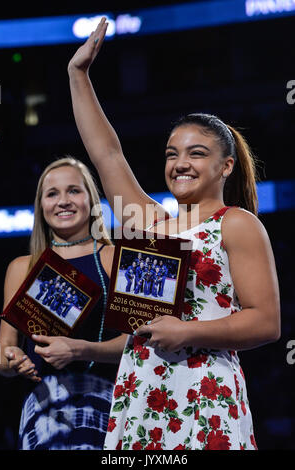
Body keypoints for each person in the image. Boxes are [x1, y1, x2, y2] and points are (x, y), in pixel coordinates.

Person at [67, 18, 280, 450]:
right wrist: (78, 74)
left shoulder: (236, 223)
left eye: (196, 153)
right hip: (141, 389)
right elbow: (107, 153)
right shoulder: (149, 222)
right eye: (171, 154)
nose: (180, 162)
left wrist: (188, 332)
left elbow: (267, 321)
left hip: (204, 393)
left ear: (226, 166)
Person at [0, 156, 127, 450]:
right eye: (52, 193)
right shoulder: (21, 267)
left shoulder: (116, 259)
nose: (63, 201)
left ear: (91, 200)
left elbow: (139, 346)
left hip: (110, 404)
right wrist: (12, 360)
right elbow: (3, 349)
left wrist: (81, 350)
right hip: (45, 411)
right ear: (41, 206)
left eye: (74, 191)